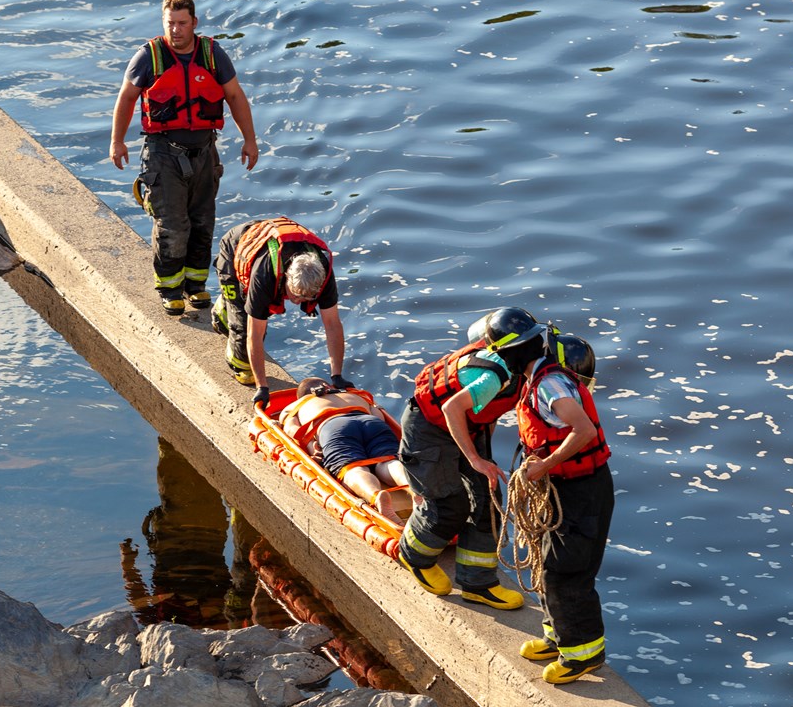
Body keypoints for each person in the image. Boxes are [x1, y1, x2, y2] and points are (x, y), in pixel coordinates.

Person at [109, 0, 258, 317]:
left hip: (204, 152)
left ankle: (196, 285)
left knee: (202, 223)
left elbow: (234, 96)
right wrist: (117, 141)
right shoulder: (149, 56)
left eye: (181, 23)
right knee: (173, 225)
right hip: (163, 154)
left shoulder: (212, 54)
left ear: (194, 22)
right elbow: (126, 98)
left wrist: (250, 140)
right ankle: (170, 288)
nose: (175, 30)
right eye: (169, 23)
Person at [394, 307, 547, 611]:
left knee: (488, 500)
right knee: (449, 504)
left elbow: (487, 412)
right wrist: (476, 460)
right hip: (429, 430)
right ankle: (414, 555)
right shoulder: (494, 376)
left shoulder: (526, 370)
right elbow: (452, 409)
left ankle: (478, 584)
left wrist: (484, 454)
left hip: (468, 426)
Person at [513, 332, 614, 684]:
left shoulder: (550, 386)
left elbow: (582, 431)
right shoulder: (539, 382)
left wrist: (543, 464)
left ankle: (583, 654)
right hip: (561, 487)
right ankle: (556, 636)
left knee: (567, 571)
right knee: (546, 563)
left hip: (581, 492)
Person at [212, 216, 349, 404]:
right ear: (286, 278)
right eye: (294, 296)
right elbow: (255, 335)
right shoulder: (265, 275)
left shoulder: (323, 272)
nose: (297, 302)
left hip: (275, 241)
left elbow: (333, 324)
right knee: (244, 357)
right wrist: (262, 386)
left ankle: (231, 306)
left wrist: (337, 376)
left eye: (305, 299)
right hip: (236, 249)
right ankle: (224, 308)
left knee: (251, 318)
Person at [279, 377, 416, 522]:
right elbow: (379, 416)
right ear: (327, 386)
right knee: (389, 460)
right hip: (369, 421)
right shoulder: (356, 394)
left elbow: (291, 429)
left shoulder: (297, 405)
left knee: (352, 468)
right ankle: (413, 489)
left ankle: (375, 495)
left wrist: (311, 446)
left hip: (333, 425)